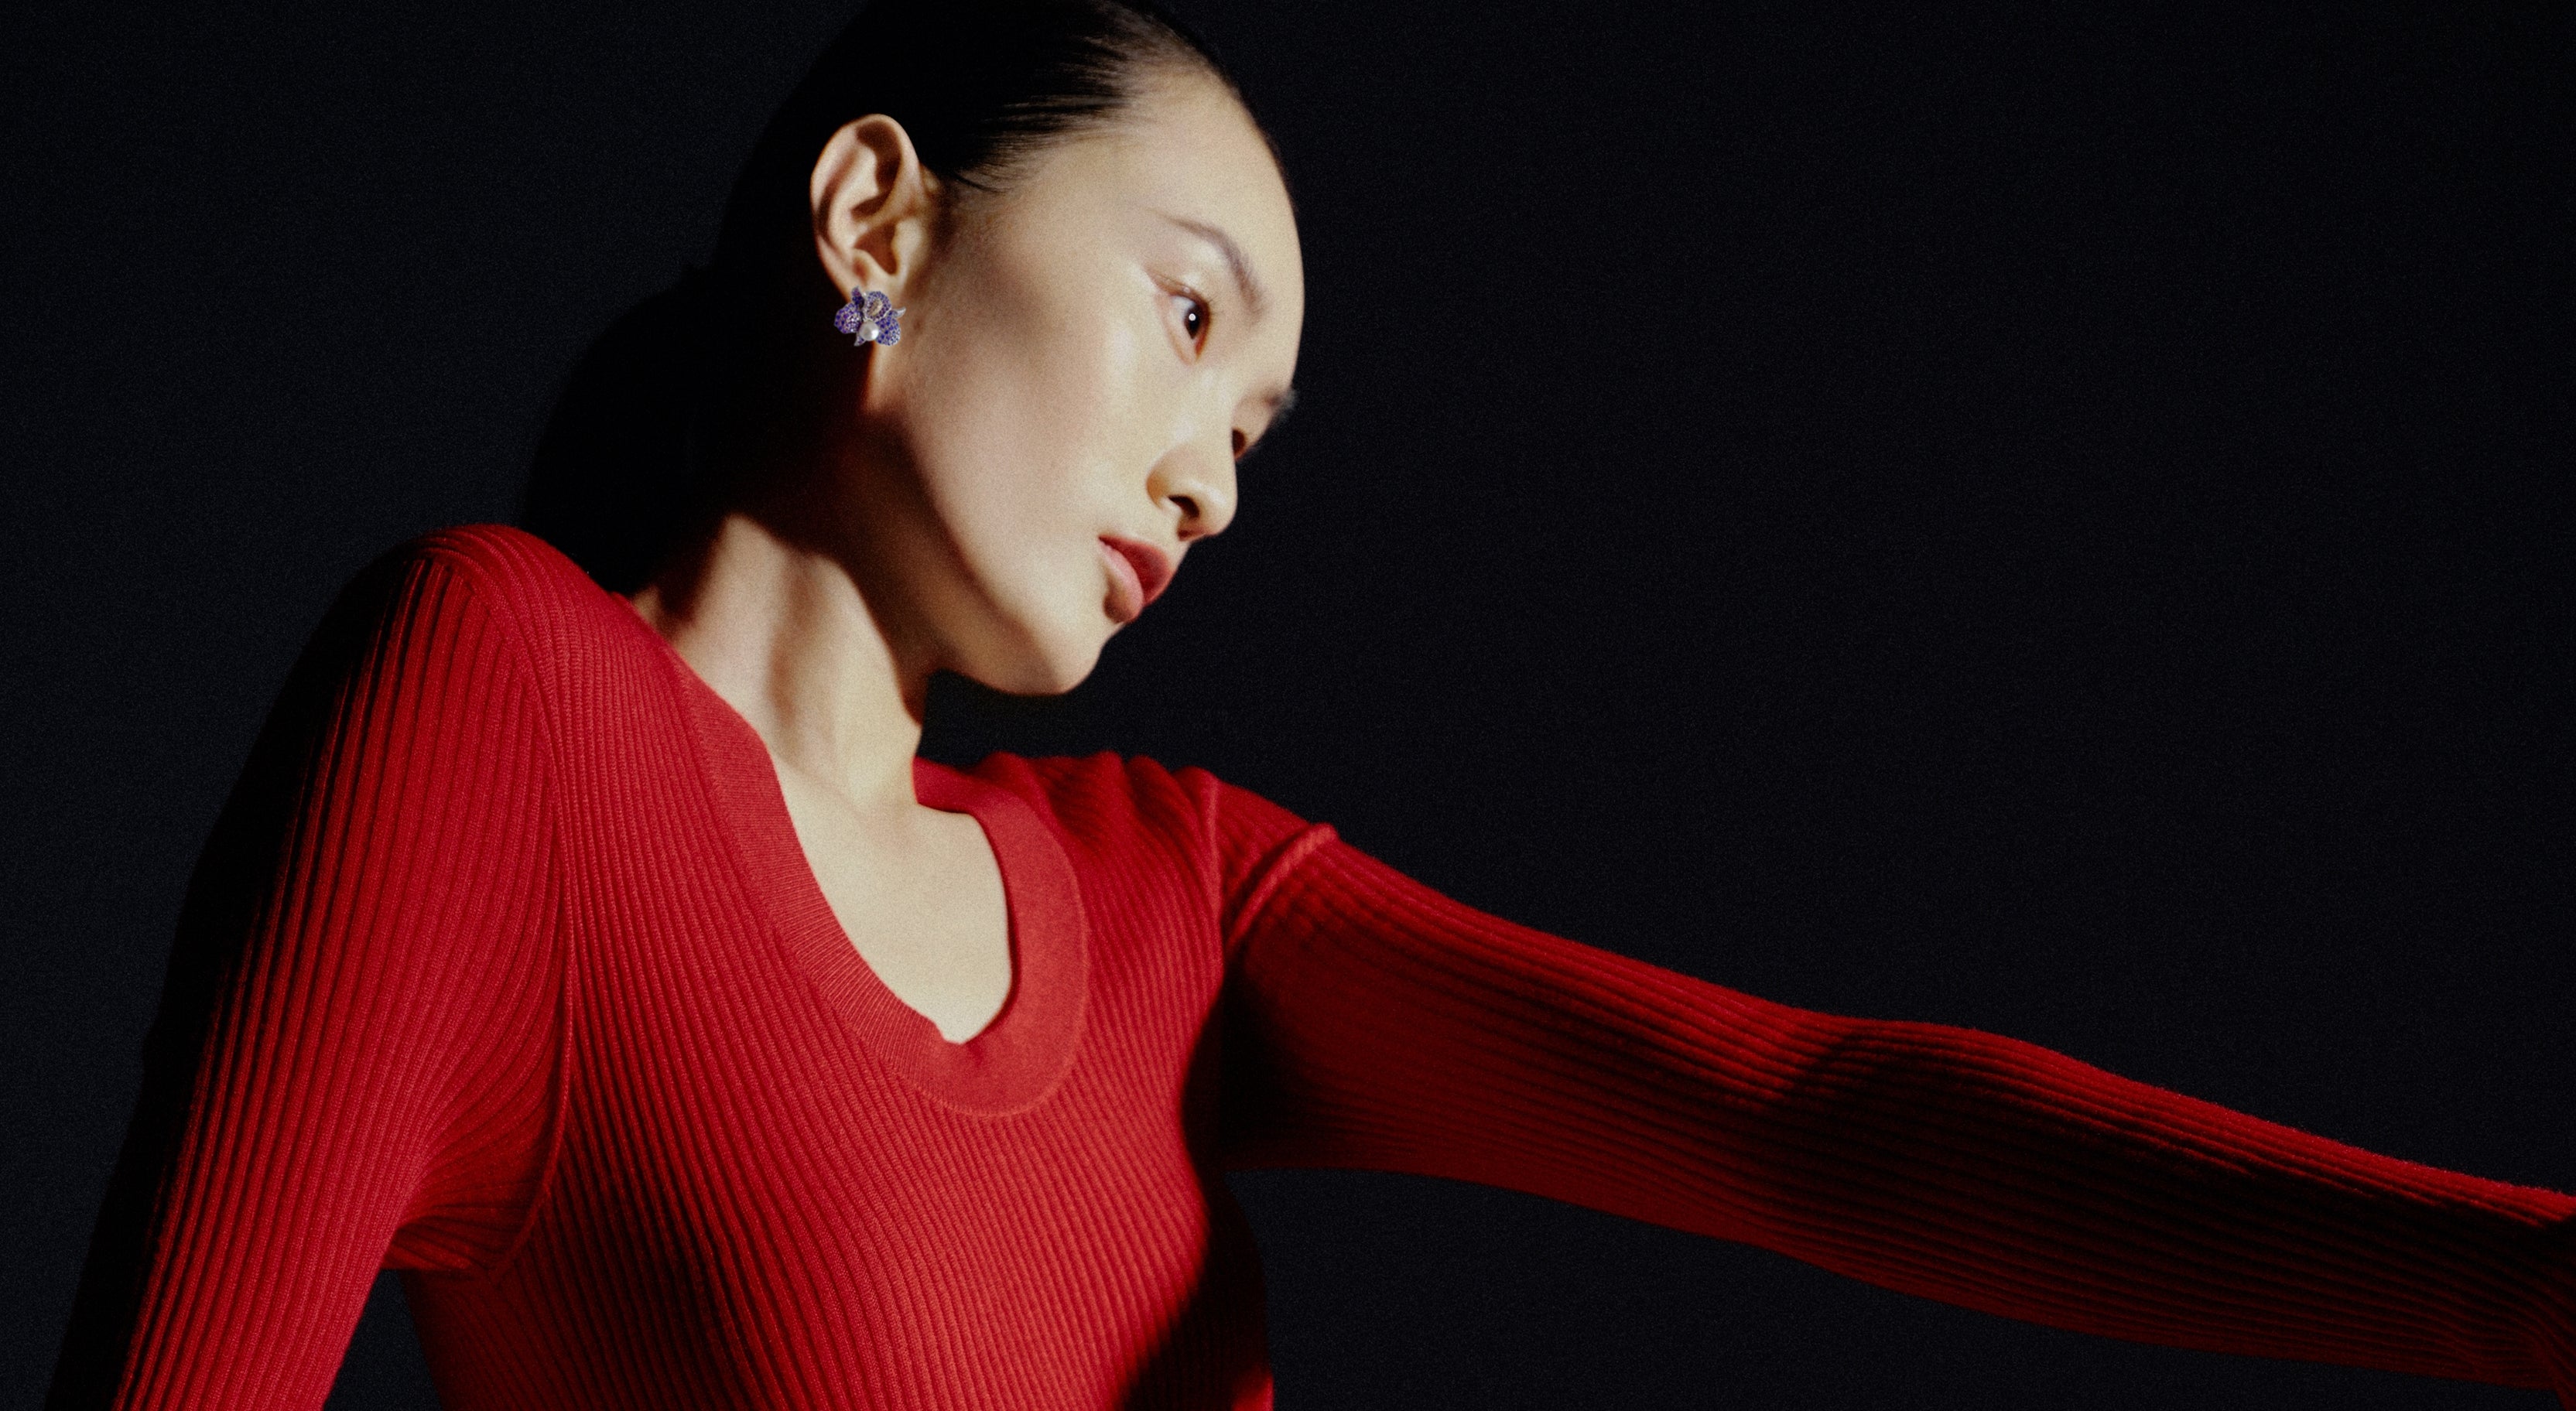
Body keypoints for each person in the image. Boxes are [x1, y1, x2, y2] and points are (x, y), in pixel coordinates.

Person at [47, 0, 2574, 1406]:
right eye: (1185, 318)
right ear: (876, 213)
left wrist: (2525, 1287)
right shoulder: (502, 701)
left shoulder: (1177, 899)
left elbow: (1813, 1123)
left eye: (1254, 432)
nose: (1212, 479)